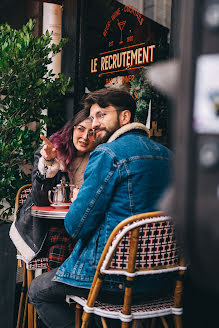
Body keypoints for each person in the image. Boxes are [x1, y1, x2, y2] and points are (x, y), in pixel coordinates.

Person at [28, 88, 173, 328]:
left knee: (38, 290)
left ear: (125, 117)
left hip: (112, 279)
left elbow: (75, 225)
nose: (94, 124)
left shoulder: (107, 154)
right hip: (163, 278)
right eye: (92, 117)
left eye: (102, 115)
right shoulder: (169, 156)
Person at [10, 109, 96, 270]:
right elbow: (39, 199)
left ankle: (66, 288)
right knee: (63, 238)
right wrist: (49, 163)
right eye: (81, 129)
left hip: (78, 224)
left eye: (92, 132)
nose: (85, 137)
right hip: (43, 227)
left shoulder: (98, 160)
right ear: (72, 129)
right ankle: (56, 289)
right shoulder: (51, 151)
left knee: (87, 239)